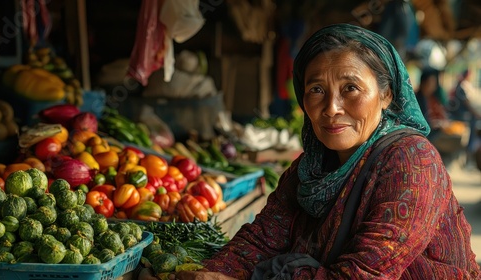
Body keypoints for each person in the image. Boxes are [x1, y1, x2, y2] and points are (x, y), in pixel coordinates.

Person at [168, 23, 480, 279]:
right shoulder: (309, 168)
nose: (331, 108)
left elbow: (362, 275)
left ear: (386, 95)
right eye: (316, 90)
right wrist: (212, 273)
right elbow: (261, 239)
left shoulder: (413, 160)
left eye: (351, 89)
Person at [448, 69, 481, 166]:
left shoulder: (463, 86)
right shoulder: (462, 87)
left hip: (463, 115)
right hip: (462, 116)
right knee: (471, 130)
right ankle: (469, 153)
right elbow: (468, 103)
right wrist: (476, 114)